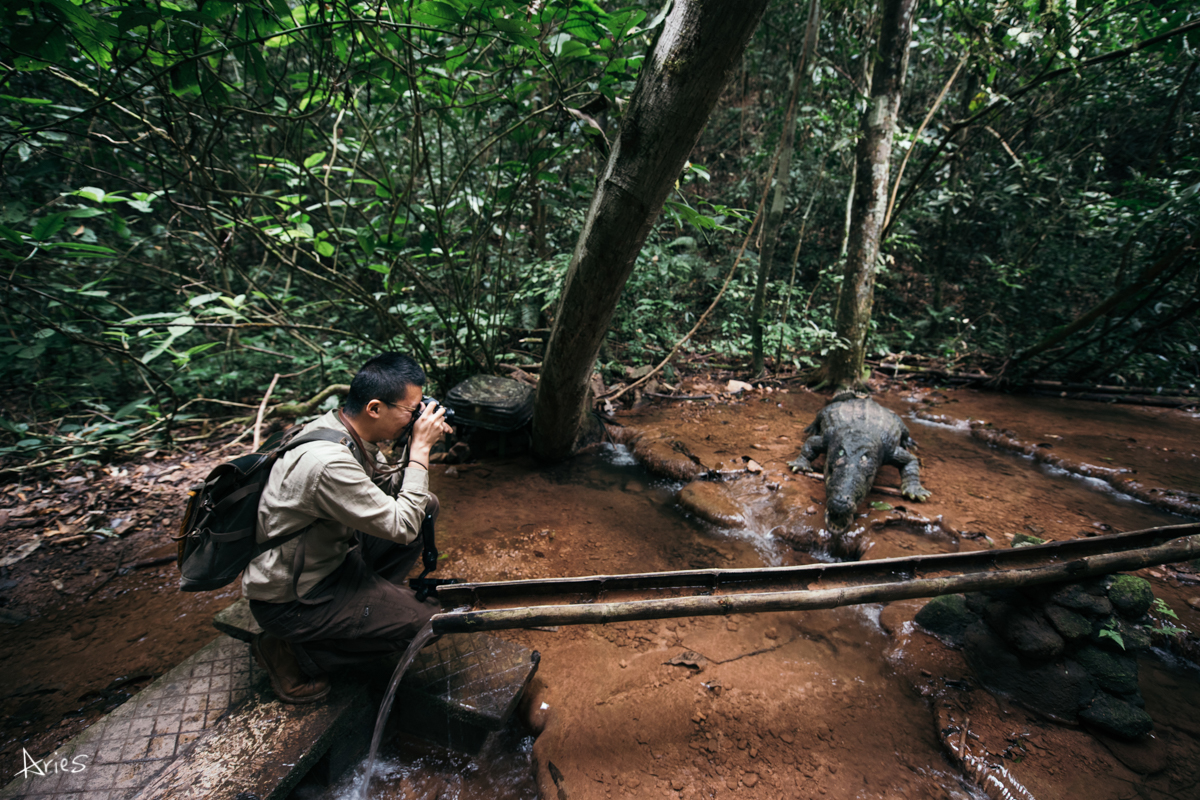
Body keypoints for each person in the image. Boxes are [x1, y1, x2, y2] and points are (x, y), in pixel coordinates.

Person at [244, 352, 453, 703]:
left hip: (328, 563)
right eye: (411, 410)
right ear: (374, 408)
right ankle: (291, 654)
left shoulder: (342, 428)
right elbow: (401, 525)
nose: (417, 417)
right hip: (295, 600)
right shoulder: (328, 461)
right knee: (427, 624)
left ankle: (372, 607)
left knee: (425, 505)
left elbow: (394, 492)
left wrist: (413, 444)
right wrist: (419, 448)